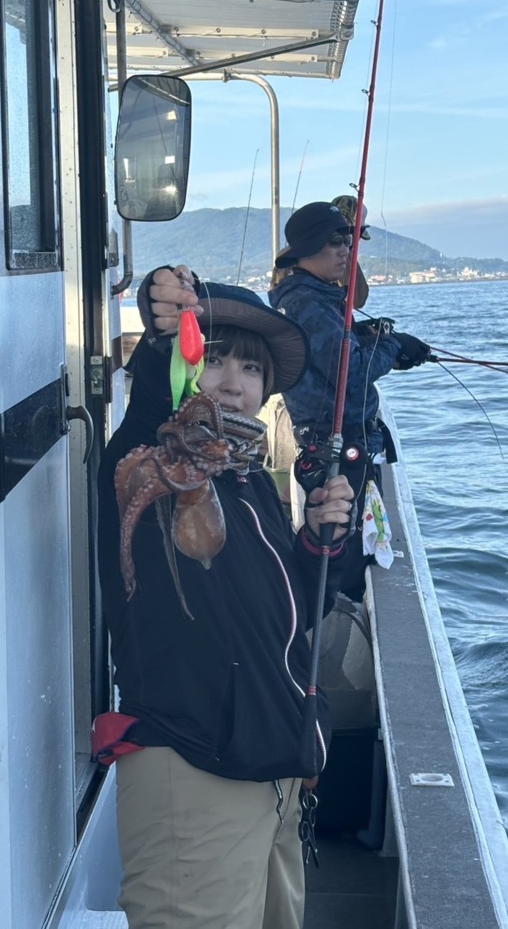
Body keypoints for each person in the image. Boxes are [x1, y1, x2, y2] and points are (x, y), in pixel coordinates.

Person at [96, 264, 354, 929]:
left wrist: (317, 541)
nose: (233, 383)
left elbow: (286, 613)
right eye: (212, 360)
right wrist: (165, 323)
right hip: (194, 767)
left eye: (251, 368)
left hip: (274, 766)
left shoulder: (251, 482)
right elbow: (153, 403)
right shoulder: (152, 458)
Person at [268, 201, 431, 599]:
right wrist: (393, 347)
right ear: (308, 248)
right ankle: (338, 613)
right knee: (347, 552)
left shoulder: (315, 297)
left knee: (354, 541)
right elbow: (351, 372)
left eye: (350, 240)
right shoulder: (307, 303)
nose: (347, 250)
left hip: (346, 444)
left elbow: (338, 353)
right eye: (336, 241)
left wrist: (368, 337)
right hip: (337, 449)